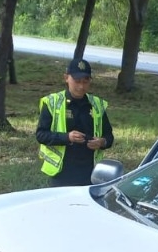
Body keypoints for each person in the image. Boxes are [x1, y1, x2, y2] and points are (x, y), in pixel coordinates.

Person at [36, 58, 114, 187]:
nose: (81, 86)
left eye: (85, 81)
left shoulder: (97, 105)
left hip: (89, 171)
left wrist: (102, 142)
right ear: (66, 78)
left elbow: (109, 136)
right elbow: (41, 135)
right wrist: (67, 137)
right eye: (77, 81)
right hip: (62, 172)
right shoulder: (52, 102)